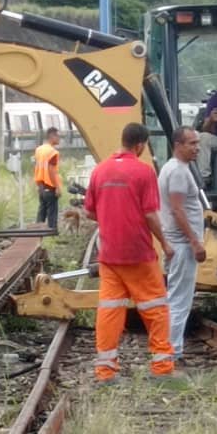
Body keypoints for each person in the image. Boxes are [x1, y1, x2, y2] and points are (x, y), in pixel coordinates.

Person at [84, 122, 179, 384]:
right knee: (156, 308)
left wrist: (110, 215)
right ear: (140, 145)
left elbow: (90, 211)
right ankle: (162, 370)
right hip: (138, 253)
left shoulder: (100, 170)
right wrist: (166, 244)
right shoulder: (143, 171)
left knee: (110, 310)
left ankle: (105, 372)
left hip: (109, 254)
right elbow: (150, 213)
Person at [158, 126, 206, 363]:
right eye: (192, 143)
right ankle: (171, 353)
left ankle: (168, 349)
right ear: (178, 145)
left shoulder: (174, 168)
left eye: (197, 143)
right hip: (182, 244)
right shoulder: (177, 172)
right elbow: (177, 209)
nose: (197, 147)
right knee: (179, 300)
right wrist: (195, 242)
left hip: (178, 243)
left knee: (176, 297)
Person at [34, 127, 62, 230]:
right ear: (52, 136)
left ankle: (36, 232)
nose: (60, 139)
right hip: (50, 186)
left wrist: (39, 185)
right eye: (58, 136)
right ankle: (52, 232)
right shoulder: (53, 152)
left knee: (42, 211)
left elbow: (37, 167)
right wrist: (57, 187)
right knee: (52, 212)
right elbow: (51, 171)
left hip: (41, 185)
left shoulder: (39, 150)